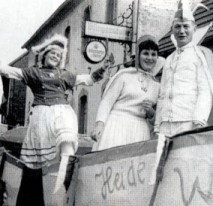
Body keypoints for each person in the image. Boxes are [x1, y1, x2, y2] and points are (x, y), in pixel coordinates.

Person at [0, 34, 104, 169]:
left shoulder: (64, 74)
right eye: (52, 53)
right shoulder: (34, 72)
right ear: (44, 55)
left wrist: (102, 69)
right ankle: (46, 176)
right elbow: (10, 72)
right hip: (42, 114)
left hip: (62, 111)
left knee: (67, 139)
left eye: (59, 56)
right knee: (43, 151)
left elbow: (87, 79)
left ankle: (66, 170)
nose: (55, 56)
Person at [154, 2, 213, 137]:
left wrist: (199, 121)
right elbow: (162, 94)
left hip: (188, 122)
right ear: (172, 30)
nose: (181, 31)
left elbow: (205, 91)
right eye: (177, 27)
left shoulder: (199, 56)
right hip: (165, 124)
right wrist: (157, 125)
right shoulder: (169, 59)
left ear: (194, 28)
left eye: (185, 26)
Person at [91, 35, 162, 151]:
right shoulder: (124, 76)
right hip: (117, 125)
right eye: (145, 53)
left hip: (140, 130)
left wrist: (151, 113)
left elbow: (157, 118)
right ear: (138, 55)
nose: (150, 58)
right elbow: (106, 102)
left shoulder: (157, 85)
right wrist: (99, 124)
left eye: (153, 54)